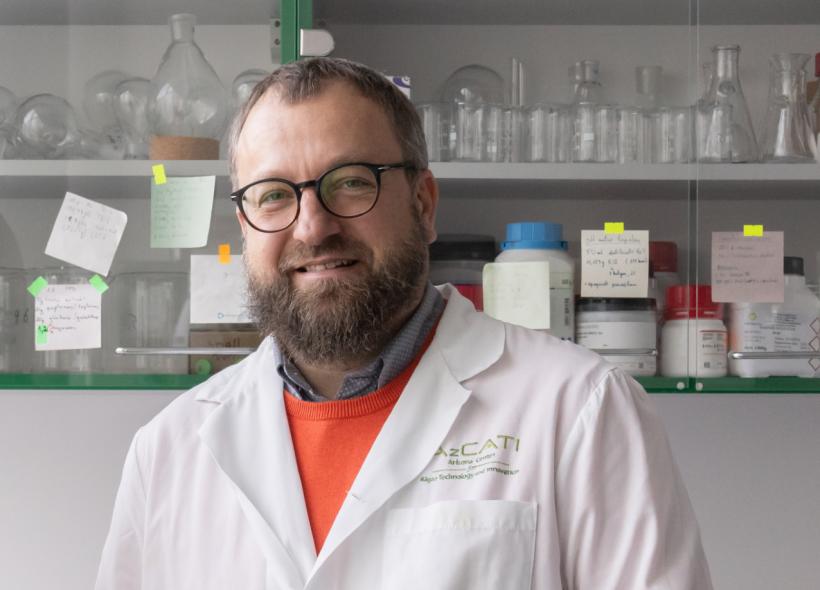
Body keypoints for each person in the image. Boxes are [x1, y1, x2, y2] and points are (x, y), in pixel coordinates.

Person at [96, 57, 713, 590]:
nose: (312, 227)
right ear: (245, 224)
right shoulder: (169, 449)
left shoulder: (580, 409)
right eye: (274, 194)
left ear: (423, 204)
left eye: (350, 183)